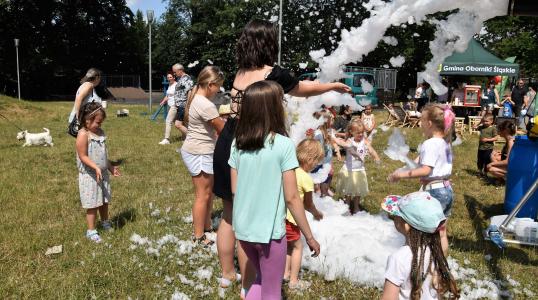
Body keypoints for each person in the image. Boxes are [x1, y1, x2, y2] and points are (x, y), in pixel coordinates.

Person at [212, 19, 350, 297]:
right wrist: (330, 86)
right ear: (268, 43)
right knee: (257, 207)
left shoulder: (240, 71)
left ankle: (229, 273)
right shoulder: (271, 73)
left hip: (229, 141)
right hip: (257, 142)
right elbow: (302, 88)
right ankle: (250, 282)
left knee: (231, 213)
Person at [229, 80, 320, 300]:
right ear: (274, 108)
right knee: (272, 292)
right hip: (269, 234)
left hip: (243, 230)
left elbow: (235, 190)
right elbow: (292, 198)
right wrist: (309, 236)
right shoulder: (283, 145)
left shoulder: (237, 143)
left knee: (261, 279)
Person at [388, 104, 455, 256]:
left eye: (422, 121)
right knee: (441, 231)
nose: (420, 124)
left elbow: (425, 170)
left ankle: (419, 260)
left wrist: (400, 175)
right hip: (447, 190)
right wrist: (405, 167)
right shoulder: (445, 142)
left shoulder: (429, 143)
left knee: (421, 229)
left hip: (435, 192)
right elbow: (419, 161)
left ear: (429, 123)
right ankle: (441, 265)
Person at [381, 192, 459, 300]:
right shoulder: (436, 251)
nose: (394, 217)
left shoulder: (398, 259)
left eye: (396, 215)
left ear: (406, 225)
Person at [180, 66, 225, 247]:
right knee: (202, 195)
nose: (219, 91)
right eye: (218, 87)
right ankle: (198, 236)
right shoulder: (205, 104)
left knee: (207, 194)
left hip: (198, 150)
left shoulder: (197, 97)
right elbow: (221, 129)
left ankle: (206, 227)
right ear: (211, 84)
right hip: (200, 152)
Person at [75, 102, 121, 243]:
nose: (99, 125)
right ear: (87, 120)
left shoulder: (100, 133)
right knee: (92, 204)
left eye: (101, 123)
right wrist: (95, 167)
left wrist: (110, 167)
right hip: (90, 176)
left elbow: (103, 155)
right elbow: (83, 156)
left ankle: (105, 221)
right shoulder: (83, 135)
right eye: (97, 122)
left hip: (102, 174)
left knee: (104, 201)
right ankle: (91, 230)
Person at [283, 139, 325, 290]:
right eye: (316, 161)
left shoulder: (289, 170)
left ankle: (285, 273)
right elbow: (307, 204)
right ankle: (294, 280)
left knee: (289, 246)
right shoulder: (306, 178)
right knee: (297, 247)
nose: (316, 165)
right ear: (310, 159)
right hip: (292, 219)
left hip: (281, 216)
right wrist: (316, 213)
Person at [334, 120, 380, 214]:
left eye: (362, 132)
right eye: (358, 132)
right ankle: (347, 206)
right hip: (349, 170)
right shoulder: (350, 141)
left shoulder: (365, 141)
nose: (360, 134)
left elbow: (371, 150)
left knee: (358, 190)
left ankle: (356, 207)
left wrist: (376, 157)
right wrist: (334, 138)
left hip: (359, 170)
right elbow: (342, 143)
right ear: (352, 132)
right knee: (348, 191)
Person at [312, 110, 341, 197]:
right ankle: (320, 195)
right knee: (317, 180)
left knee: (327, 177)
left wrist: (337, 150)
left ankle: (324, 194)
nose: (332, 121)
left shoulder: (328, 131)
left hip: (325, 161)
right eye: (330, 119)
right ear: (324, 121)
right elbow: (316, 149)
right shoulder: (318, 133)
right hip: (318, 163)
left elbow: (334, 141)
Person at [172, 63, 194, 136]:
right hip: (179, 105)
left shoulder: (186, 78)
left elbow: (190, 91)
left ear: (180, 70)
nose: (174, 74)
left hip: (183, 105)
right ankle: (184, 138)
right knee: (179, 122)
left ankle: (192, 137)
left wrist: (187, 105)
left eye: (175, 72)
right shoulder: (181, 79)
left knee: (178, 124)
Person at [158, 72, 178, 145]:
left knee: (168, 121)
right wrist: (163, 101)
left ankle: (167, 139)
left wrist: (176, 105)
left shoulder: (176, 85)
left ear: (174, 77)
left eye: (170, 77)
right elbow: (168, 95)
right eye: (168, 77)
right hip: (170, 105)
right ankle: (185, 136)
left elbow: (179, 96)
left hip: (175, 106)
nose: (169, 79)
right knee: (177, 123)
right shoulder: (170, 85)